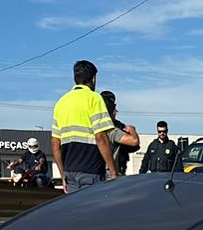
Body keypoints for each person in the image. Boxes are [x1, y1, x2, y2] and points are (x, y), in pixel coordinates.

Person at [50, 60, 118, 191]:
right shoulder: (94, 98)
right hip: (91, 170)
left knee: (76, 211)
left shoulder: (61, 103)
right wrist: (113, 171)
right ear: (93, 78)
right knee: (94, 211)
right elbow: (101, 138)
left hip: (70, 172)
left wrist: (63, 175)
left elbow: (55, 144)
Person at [100, 91, 140, 176]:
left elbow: (133, 146)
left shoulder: (118, 125)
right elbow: (134, 141)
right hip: (108, 171)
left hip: (118, 166)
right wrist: (132, 130)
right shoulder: (111, 128)